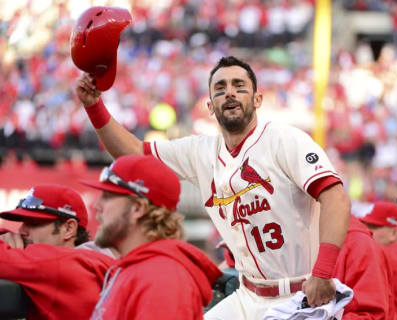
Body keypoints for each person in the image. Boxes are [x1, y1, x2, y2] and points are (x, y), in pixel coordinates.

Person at [75, 55, 351, 319]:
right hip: (247, 294)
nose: (229, 93)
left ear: (257, 100)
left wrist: (323, 272)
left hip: (299, 293)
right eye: (220, 89)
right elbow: (134, 154)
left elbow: (335, 197)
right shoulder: (201, 151)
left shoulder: (284, 139)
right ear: (209, 106)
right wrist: (94, 106)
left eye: (239, 86)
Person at [82, 154, 222, 320]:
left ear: (137, 208)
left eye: (107, 197)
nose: (97, 206)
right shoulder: (140, 269)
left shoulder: (160, 278)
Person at [0, 184, 114, 320]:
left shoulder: (60, 264)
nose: (22, 231)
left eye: (35, 223)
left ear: (68, 229)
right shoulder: (94, 259)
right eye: (24, 222)